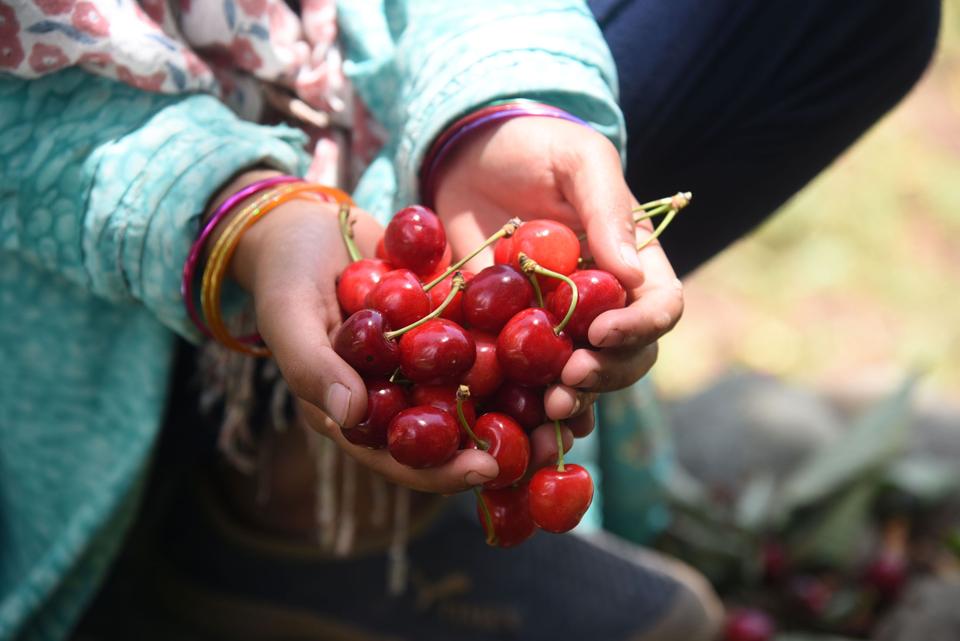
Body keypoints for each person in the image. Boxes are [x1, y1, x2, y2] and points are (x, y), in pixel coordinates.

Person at [0, 1, 939, 641]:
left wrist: (498, 111)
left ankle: (345, 499)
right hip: (81, 329)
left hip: (365, 188)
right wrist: (232, 215)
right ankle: (253, 510)